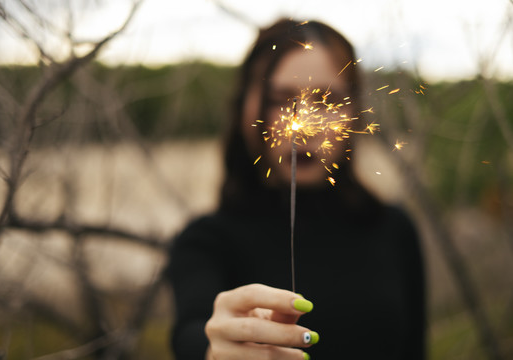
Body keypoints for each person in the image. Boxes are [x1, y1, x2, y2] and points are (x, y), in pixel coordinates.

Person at [167, 18, 426, 360]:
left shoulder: (394, 230)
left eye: (326, 98)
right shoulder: (205, 243)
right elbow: (192, 331)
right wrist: (215, 348)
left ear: (354, 111)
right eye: (280, 98)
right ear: (246, 106)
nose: (305, 124)